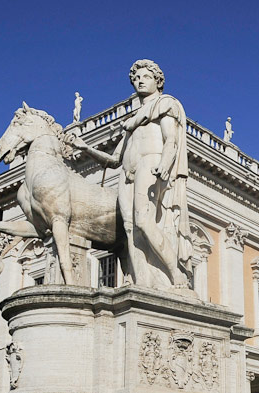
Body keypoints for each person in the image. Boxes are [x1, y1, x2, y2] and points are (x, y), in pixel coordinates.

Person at [65, 59, 192, 289]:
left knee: (143, 220)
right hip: (127, 173)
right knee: (131, 228)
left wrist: (165, 163)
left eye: (145, 77)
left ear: (158, 81)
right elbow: (114, 160)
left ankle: (176, 273)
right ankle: (141, 280)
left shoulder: (164, 105)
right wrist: (86, 148)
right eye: (136, 78)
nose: (139, 81)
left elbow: (171, 139)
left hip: (151, 164)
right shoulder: (132, 122)